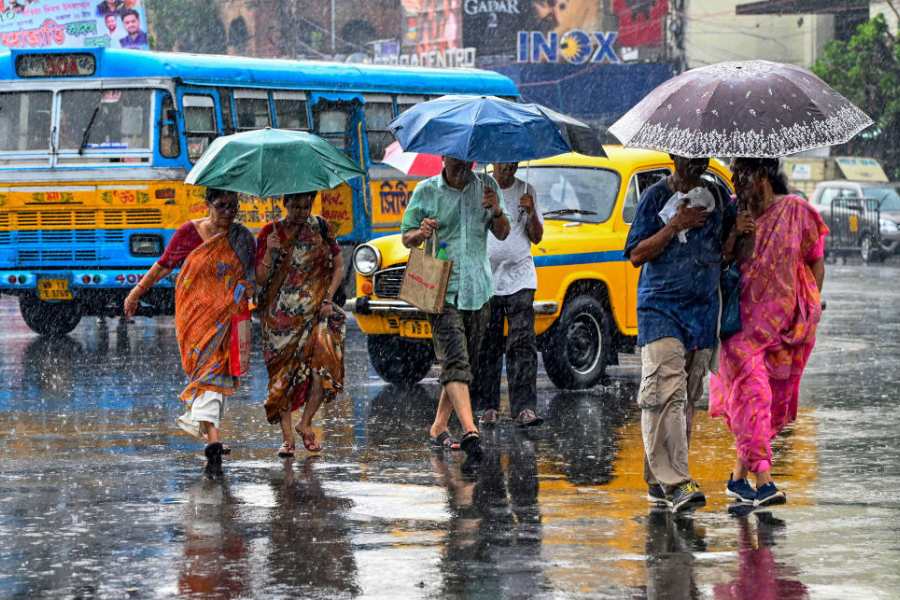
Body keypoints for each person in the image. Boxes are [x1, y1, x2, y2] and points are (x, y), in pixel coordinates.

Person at [624, 155, 744, 512]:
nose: (696, 163)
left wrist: (737, 231)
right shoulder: (655, 197)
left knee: (685, 400)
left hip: (702, 313)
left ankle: (659, 481)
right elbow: (635, 254)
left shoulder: (716, 197)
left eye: (702, 158)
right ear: (674, 157)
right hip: (661, 309)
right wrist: (674, 225)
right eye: (689, 158)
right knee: (666, 393)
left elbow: (722, 256)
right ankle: (677, 481)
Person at [710, 158, 827, 508]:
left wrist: (811, 306)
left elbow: (814, 258)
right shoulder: (731, 214)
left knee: (765, 406)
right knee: (754, 396)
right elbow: (717, 262)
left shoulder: (795, 211)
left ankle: (737, 478)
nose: (736, 182)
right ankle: (764, 481)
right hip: (739, 328)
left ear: (761, 175)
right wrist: (736, 234)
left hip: (783, 329)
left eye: (742, 175)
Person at [124, 188, 255, 479]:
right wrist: (136, 292)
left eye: (233, 207)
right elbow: (163, 266)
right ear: (207, 205)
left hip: (228, 319)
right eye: (221, 206)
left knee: (214, 377)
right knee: (207, 377)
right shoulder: (189, 233)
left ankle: (214, 442)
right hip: (194, 319)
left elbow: (253, 277)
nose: (228, 212)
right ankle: (214, 439)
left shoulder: (243, 239)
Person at [401, 157, 510, 471]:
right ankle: (470, 431)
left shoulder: (487, 188)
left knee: (464, 364)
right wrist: (420, 233)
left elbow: (503, 233)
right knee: (455, 361)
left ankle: (438, 426)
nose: (462, 163)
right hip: (442, 289)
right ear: (444, 158)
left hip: (478, 288)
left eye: (467, 158)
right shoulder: (427, 191)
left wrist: (497, 210)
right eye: (455, 157)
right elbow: (406, 237)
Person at [256, 192, 346, 458]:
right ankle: (287, 439)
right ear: (284, 204)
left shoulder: (321, 227)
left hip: (318, 314)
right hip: (279, 320)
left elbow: (339, 266)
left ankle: (305, 423)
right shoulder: (269, 233)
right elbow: (261, 279)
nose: (300, 211)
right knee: (282, 379)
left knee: (324, 369)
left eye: (305, 206)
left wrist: (328, 297)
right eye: (295, 206)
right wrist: (270, 253)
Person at [472, 162, 544, 427]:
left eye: (513, 162)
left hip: (521, 277)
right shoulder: (480, 189)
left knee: (522, 343)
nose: (509, 168)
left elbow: (536, 238)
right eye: (504, 163)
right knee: (487, 344)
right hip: (487, 278)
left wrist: (532, 212)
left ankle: (524, 408)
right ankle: (488, 406)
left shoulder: (527, 190)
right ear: (494, 162)